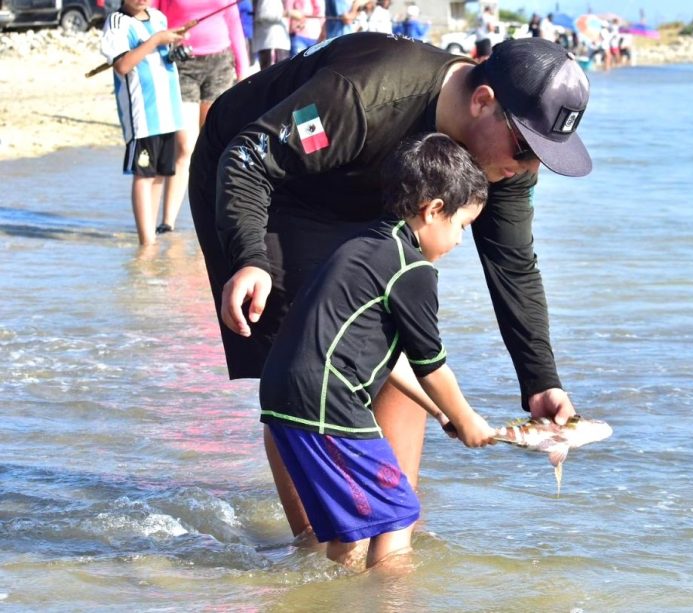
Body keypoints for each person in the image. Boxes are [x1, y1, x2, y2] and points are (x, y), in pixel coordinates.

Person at [187, 33, 591, 540]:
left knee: (392, 335)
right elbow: (249, 158)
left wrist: (540, 382)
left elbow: (512, 262)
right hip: (266, 181)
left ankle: (392, 531)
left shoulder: (505, 164)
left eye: (543, 156)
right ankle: (318, 541)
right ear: (483, 101)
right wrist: (248, 258)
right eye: (526, 147)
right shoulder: (366, 94)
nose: (528, 167)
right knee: (307, 356)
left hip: (369, 191)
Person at [260, 132, 496, 569]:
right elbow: (432, 364)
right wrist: (467, 419)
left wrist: (440, 413)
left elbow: (392, 362)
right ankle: (389, 601)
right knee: (397, 513)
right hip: (327, 401)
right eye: (462, 227)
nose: (461, 241)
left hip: (283, 395)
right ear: (434, 210)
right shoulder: (413, 271)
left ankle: (336, 598)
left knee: (351, 530)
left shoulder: (365, 245)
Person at [153, 0, 249, 234]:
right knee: (185, 146)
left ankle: (212, 215)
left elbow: (234, 22)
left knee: (212, 144)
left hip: (220, 62)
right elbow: (153, 17)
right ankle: (168, 222)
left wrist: (243, 70)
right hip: (182, 63)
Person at [100, 0, 185, 247]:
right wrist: (155, 40)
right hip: (142, 115)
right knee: (143, 175)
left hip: (167, 111)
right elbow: (123, 66)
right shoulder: (117, 22)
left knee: (160, 173)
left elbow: (162, 58)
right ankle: (145, 243)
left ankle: (152, 235)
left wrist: (171, 45)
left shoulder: (158, 17)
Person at [252, 0, 291, 69]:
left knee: (281, 75)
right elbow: (263, 15)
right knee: (273, 76)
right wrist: (288, 13)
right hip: (271, 43)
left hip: (278, 44)